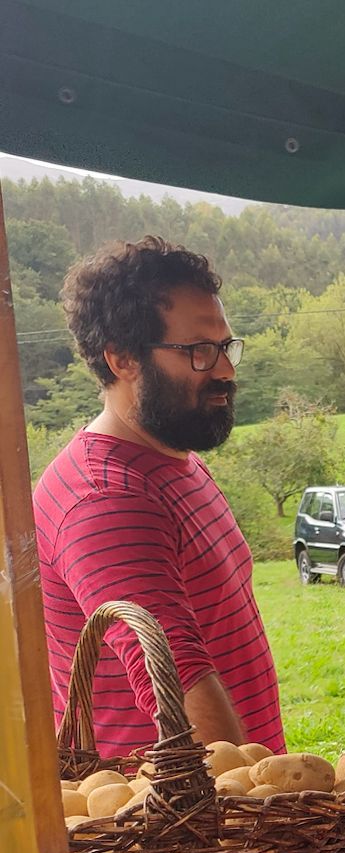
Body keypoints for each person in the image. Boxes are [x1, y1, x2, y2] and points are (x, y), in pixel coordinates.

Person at [33, 236, 284, 758]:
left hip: (241, 801)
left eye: (225, 347)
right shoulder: (105, 500)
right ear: (122, 359)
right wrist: (248, 809)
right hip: (176, 821)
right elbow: (177, 681)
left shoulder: (174, 460)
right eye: (197, 351)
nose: (225, 370)